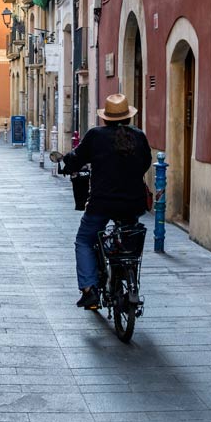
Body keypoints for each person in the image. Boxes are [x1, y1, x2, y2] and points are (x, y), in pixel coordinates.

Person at [59, 93, 152, 310]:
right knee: (128, 238)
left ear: (105, 118)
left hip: (101, 203)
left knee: (84, 240)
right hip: (133, 203)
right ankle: (126, 271)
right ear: (128, 117)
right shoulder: (138, 136)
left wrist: (67, 164)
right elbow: (146, 162)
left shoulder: (96, 136)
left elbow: (77, 158)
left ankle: (90, 290)